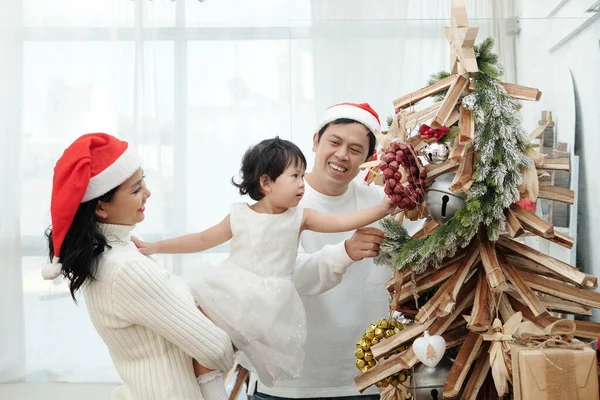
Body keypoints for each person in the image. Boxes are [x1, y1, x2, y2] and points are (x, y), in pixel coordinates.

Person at [133, 137, 397, 395]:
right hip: (232, 288)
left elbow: (345, 221)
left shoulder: (300, 217)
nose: (302, 185)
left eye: (303, 176)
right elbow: (202, 239)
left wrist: (383, 208)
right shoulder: (240, 214)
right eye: (295, 176)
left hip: (269, 303)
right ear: (266, 182)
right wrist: (157, 246)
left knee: (219, 352)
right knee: (203, 347)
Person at [250, 103, 424, 400]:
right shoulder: (279, 201)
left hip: (366, 380)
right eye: (334, 142)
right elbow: (287, 275)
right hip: (289, 386)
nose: (342, 155)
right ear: (316, 141)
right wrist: (346, 251)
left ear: (369, 158)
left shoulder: (383, 203)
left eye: (356, 149)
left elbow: (425, 250)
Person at [41, 133, 234, 400]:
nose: (148, 193)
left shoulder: (115, 251)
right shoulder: (125, 268)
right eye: (135, 189)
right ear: (100, 208)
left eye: (144, 181)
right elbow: (216, 350)